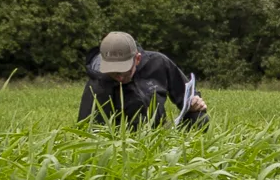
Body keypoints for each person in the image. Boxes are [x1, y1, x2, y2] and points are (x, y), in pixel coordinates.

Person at [77, 31, 209, 130]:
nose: (120, 77)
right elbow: (88, 129)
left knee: (200, 119)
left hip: (160, 131)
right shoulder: (98, 82)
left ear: (137, 59)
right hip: (122, 141)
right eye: (114, 72)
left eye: (125, 71)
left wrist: (195, 101)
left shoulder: (159, 63)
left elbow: (187, 94)